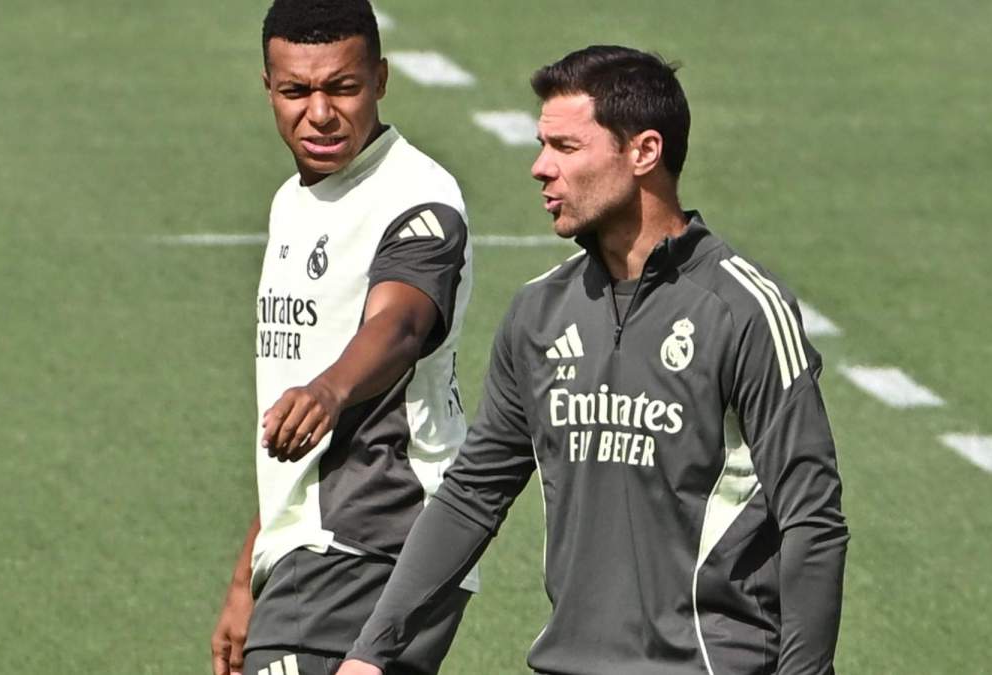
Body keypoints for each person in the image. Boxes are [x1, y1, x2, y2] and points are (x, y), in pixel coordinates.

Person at [338, 45, 849, 675]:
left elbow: (812, 518)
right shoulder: (539, 314)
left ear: (644, 153)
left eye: (565, 147)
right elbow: (471, 496)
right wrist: (371, 652)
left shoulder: (741, 310)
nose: (539, 168)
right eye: (541, 144)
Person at [209, 2, 477, 674]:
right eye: (297, 91)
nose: (320, 113)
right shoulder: (291, 203)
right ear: (268, 88)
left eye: (343, 87)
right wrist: (249, 573)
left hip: (372, 532)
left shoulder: (418, 195)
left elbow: (401, 322)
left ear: (380, 79)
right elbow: (292, 416)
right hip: (312, 547)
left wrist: (331, 387)